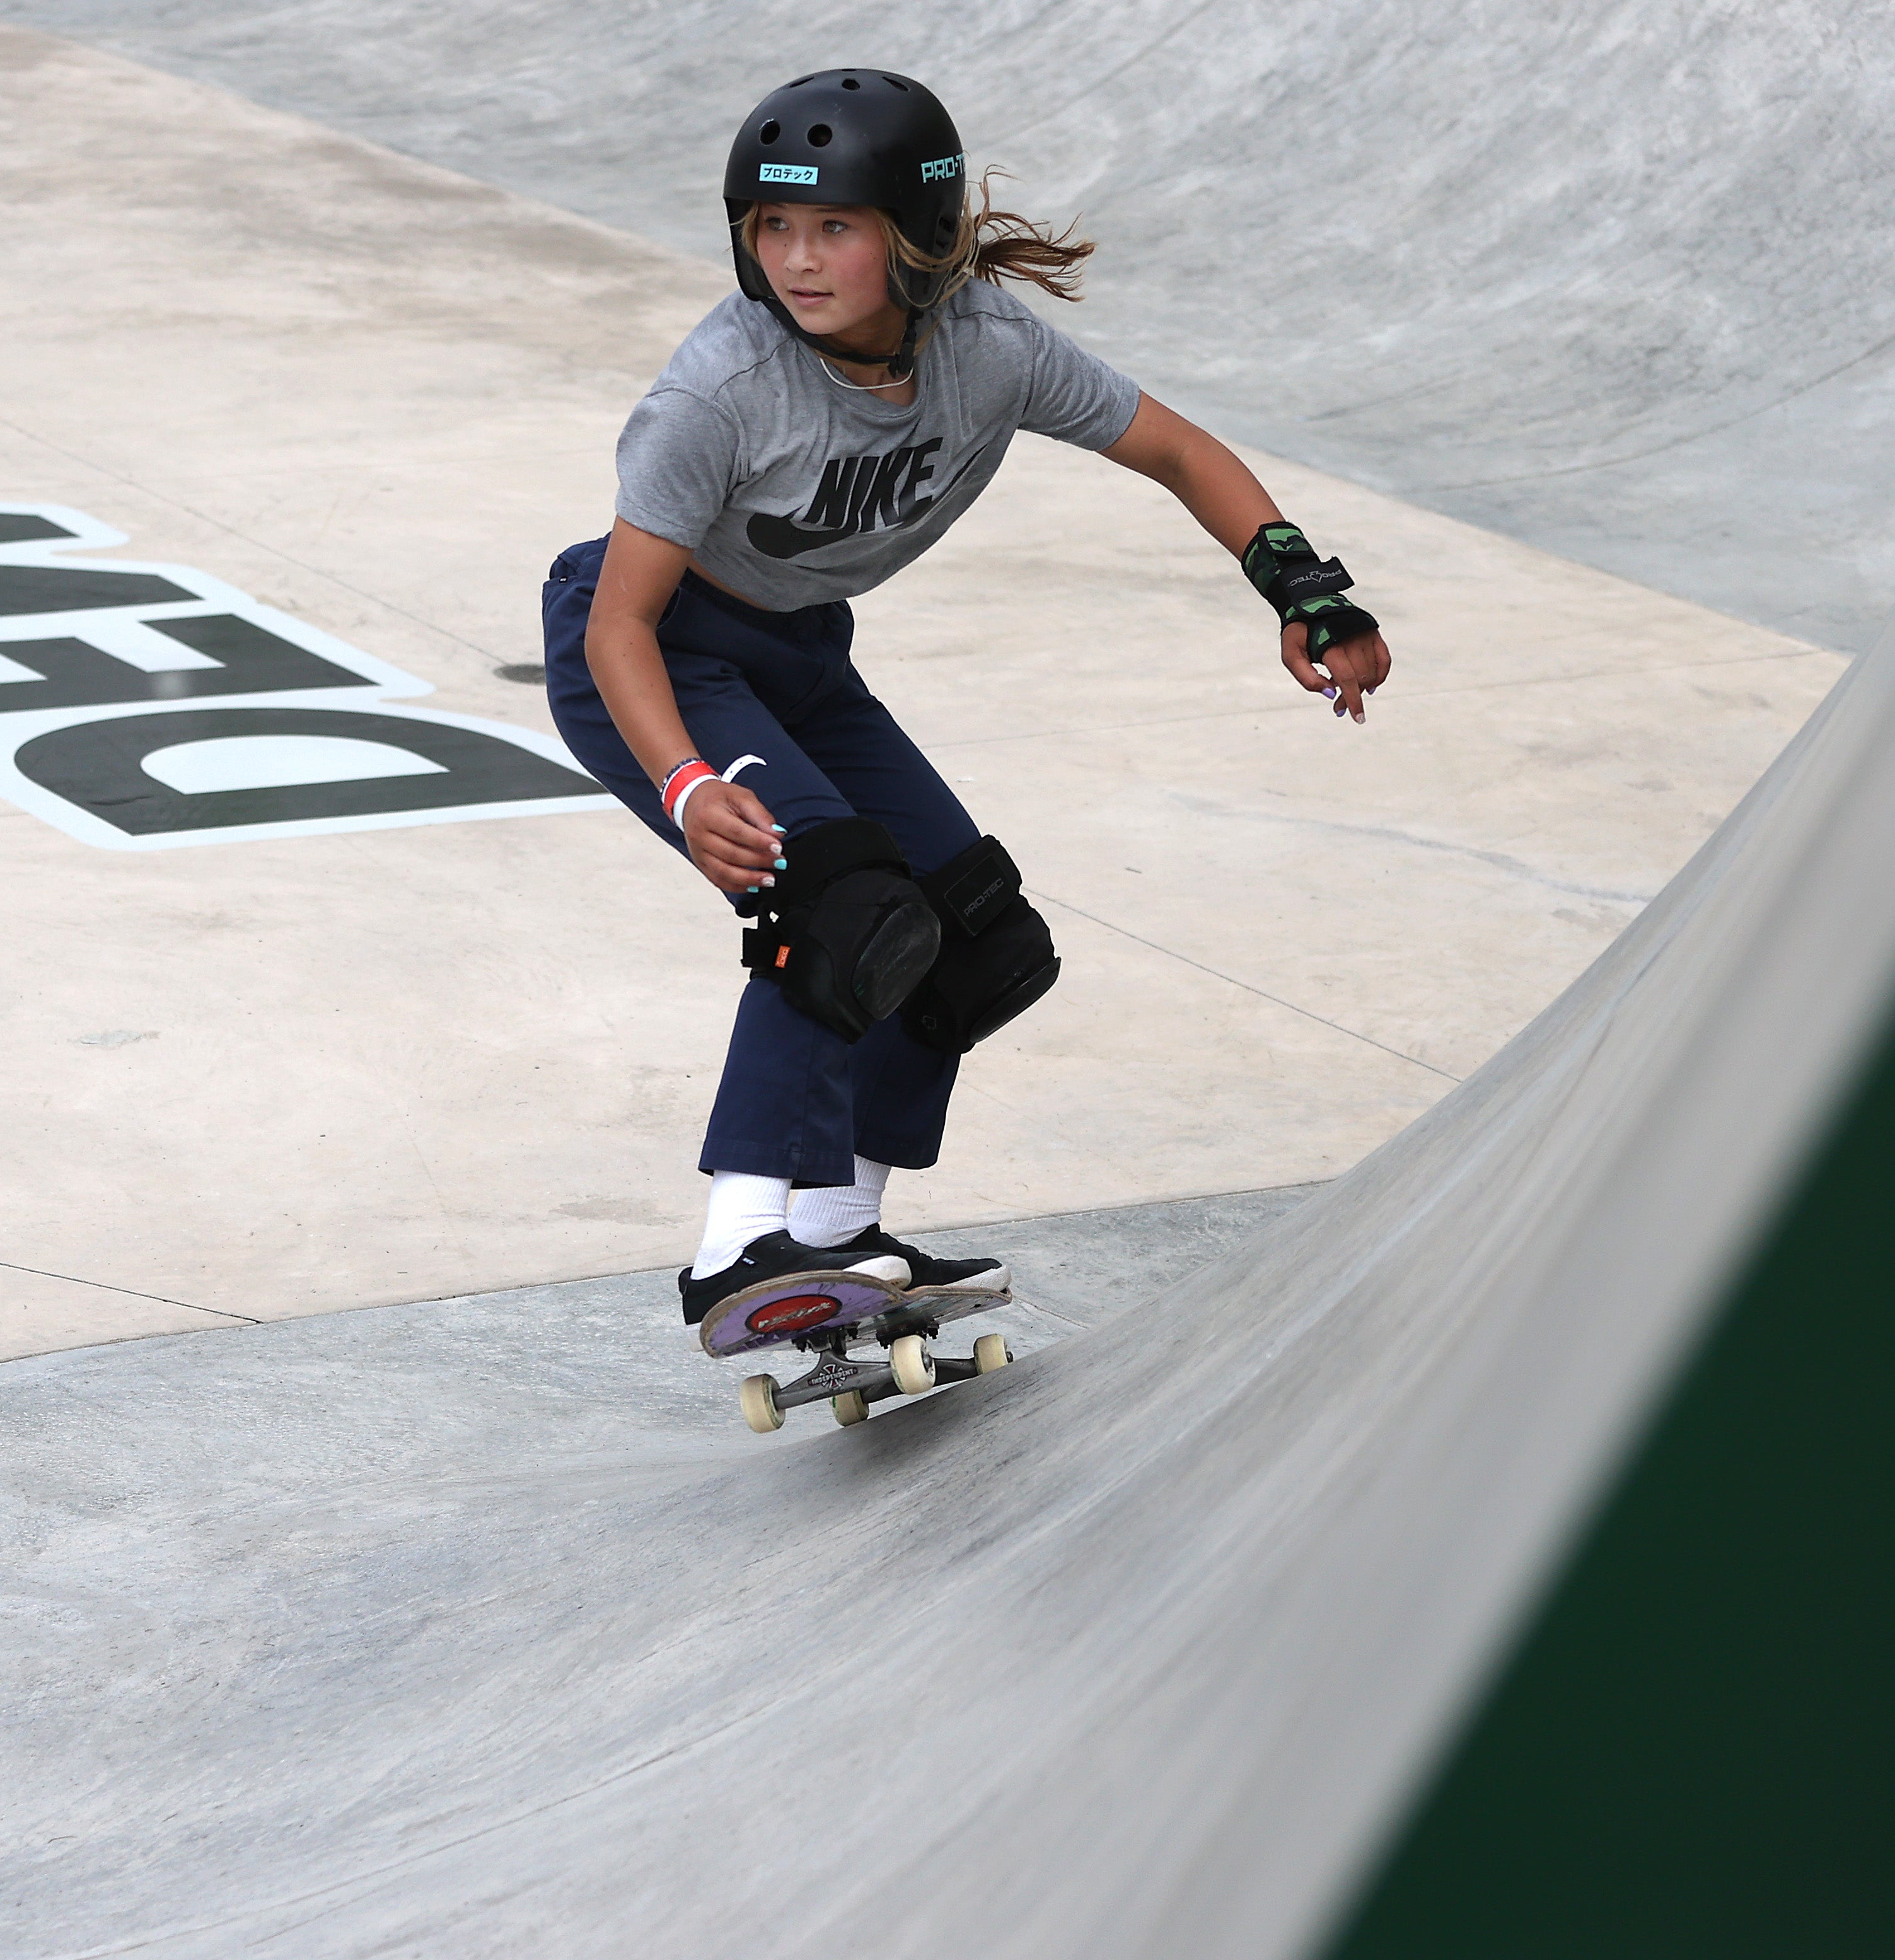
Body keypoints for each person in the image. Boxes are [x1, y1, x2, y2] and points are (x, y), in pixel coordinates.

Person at [543, 69, 1392, 1331]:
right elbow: (618, 618)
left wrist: (1305, 594)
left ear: (918, 237)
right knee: (832, 900)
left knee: (969, 932)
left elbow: (1175, 449)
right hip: (662, 656)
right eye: (773, 228)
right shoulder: (720, 387)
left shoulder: (989, 351)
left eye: (835, 227)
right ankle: (738, 1246)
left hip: (801, 659)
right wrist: (686, 778)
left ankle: (839, 1234)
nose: (798, 260)